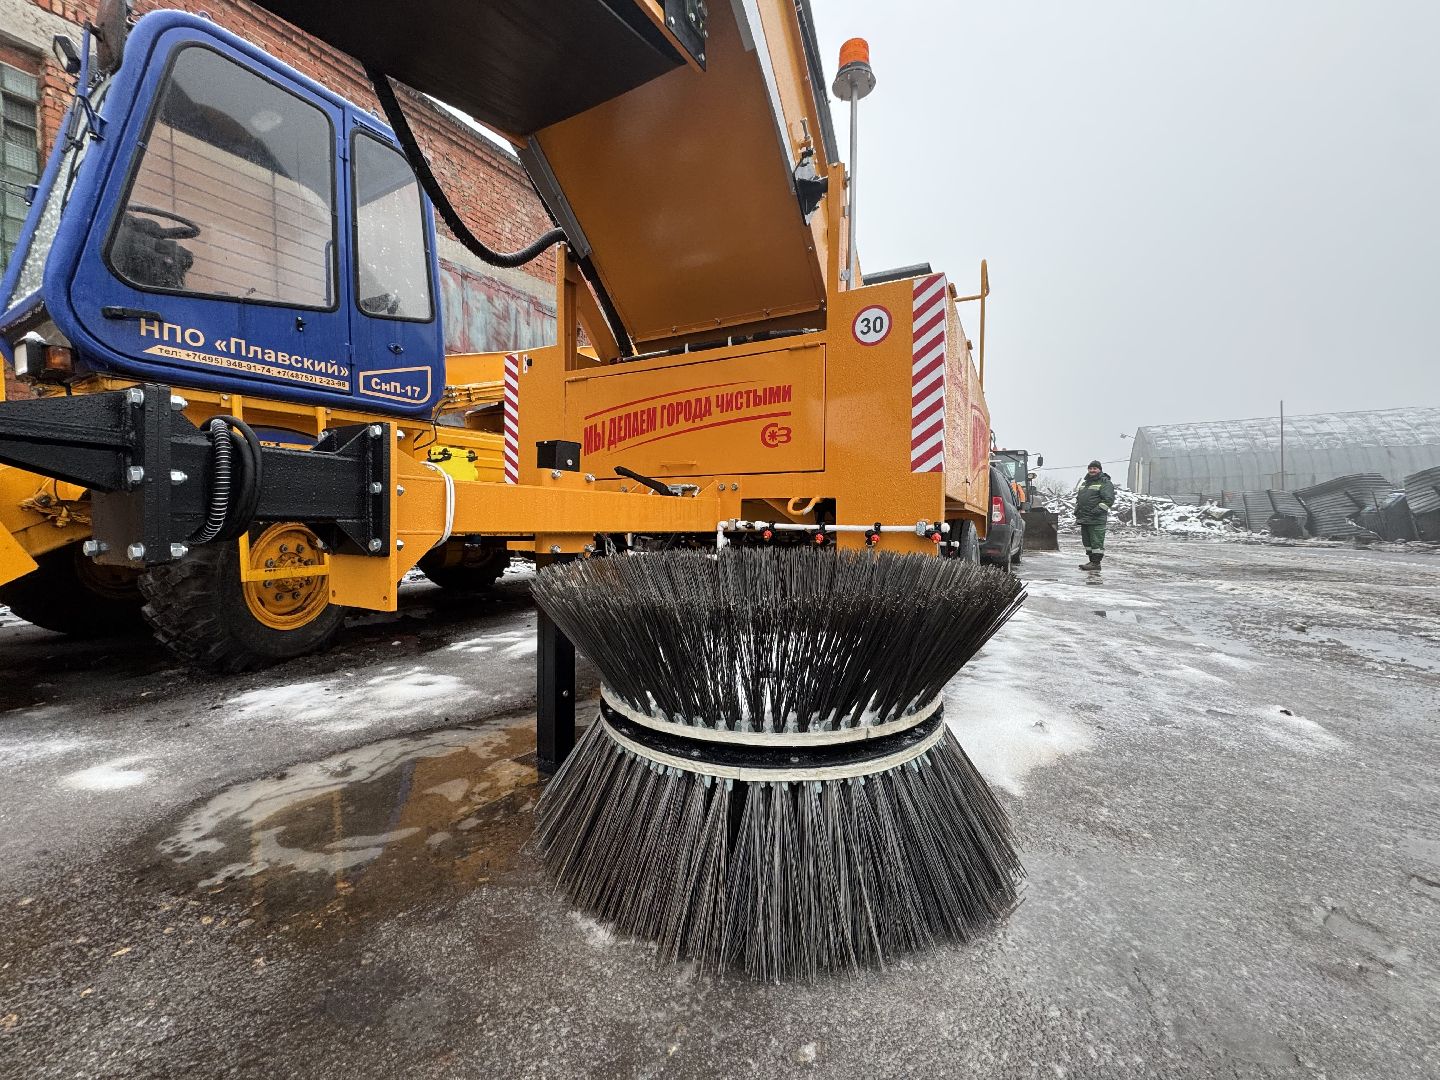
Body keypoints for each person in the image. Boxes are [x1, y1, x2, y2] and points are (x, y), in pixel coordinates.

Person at [1074, 460, 1115, 571]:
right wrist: (1077, 509)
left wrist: (1096, 511)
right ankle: (1091, 561)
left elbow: (1108, 500)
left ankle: (1096, 563)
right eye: (1090, 468)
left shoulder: (1105, 483)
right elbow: (1080, 499)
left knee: (1096, 542)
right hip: (1084, 518)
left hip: (1096, 518)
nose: (1092, 470)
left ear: (1100, 470)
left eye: (1095, 468)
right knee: (1087, 542)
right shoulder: (1085, 483)